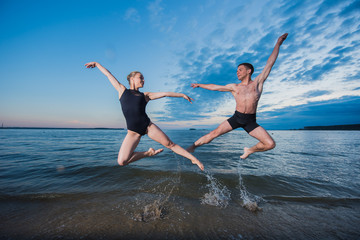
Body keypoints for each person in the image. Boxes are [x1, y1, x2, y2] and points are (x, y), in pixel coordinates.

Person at [85, 62, 204, 171]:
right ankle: (148, 153)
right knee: (122, 161)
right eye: (140, 77)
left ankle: (193, 159)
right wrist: (96, 64)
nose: (143, 80)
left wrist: (182, 95)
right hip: (133, 132)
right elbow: (108, 74)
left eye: (143, 78)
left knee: (170, 144)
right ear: (132, 79)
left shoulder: (145, 95)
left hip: (148, 126)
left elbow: (165, 94)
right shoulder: (122, 90)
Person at [187, 33, 288, 159]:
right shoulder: (234, 87)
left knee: (270, 144)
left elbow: (270, 63)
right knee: (213, 133)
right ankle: (191, 148)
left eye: (240, 69)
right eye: (237, 70)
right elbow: (216, 87)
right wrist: (200, 85)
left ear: (248, 71)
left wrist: (278, 43)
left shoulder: (257, 83)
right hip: (237, 117)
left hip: (250, 121)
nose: (237, 72)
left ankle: (250, 150)